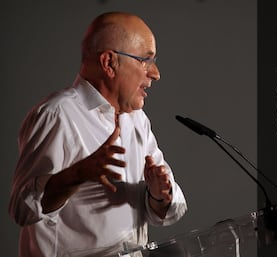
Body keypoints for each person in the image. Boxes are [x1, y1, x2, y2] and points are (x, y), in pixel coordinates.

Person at [8, 12, 187, 257]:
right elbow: (21, 208)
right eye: (145, 60)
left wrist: (159, 195)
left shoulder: (136, 120)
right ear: (109, 63)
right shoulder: (58, 114)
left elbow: (172, 207)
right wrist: (76, 175)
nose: (155, 73)